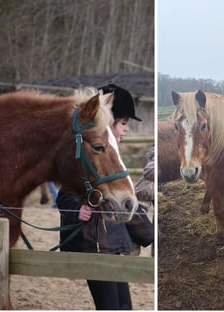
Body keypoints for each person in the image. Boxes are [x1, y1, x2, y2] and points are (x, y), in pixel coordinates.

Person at [57, 84, 154, 310]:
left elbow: (128, 207)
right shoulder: (92, 162)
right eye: (123, 123)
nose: (127, 129)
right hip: (96, 248)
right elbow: (65, 196)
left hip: (115, 246)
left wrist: (149, 233)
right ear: (108, 124)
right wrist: (77, 211)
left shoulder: (113, 160)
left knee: (124, 306)